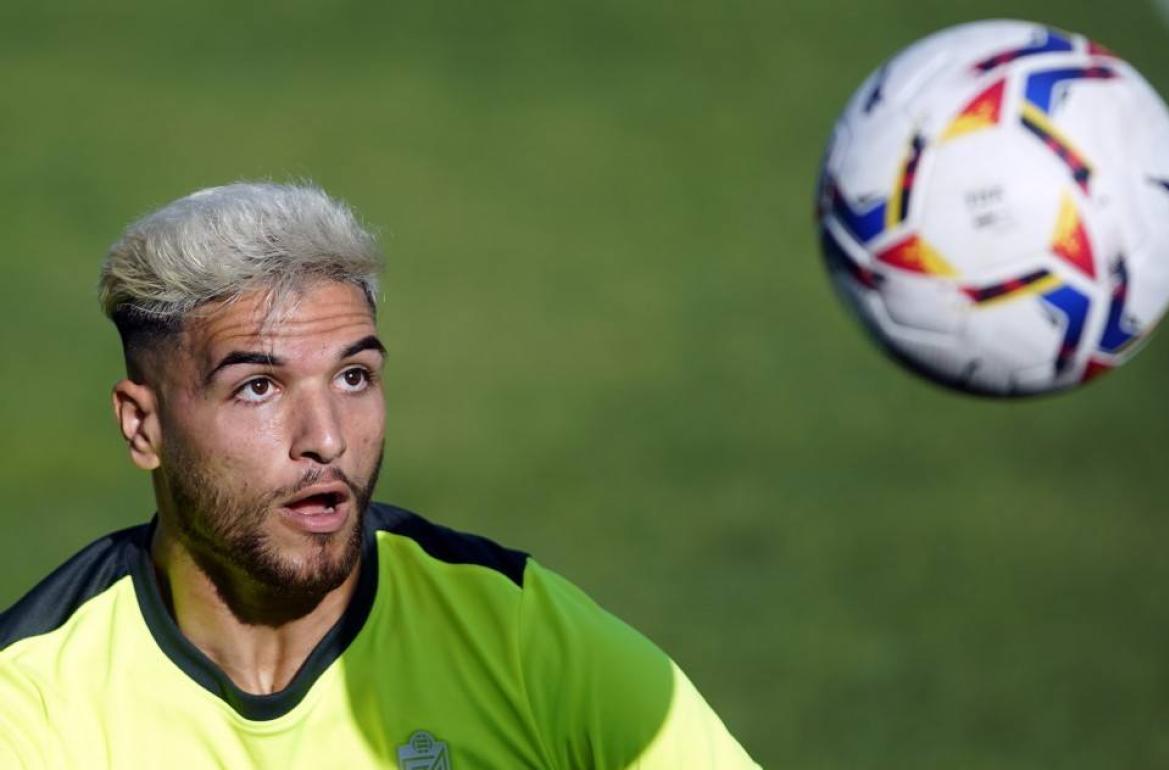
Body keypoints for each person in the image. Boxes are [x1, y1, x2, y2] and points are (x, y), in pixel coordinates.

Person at [0, 183, 761, 769]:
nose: (326, 438)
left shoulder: (517, 634)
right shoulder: (30, 697)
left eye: (354, 376)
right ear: (144, 426)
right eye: (258, 387)